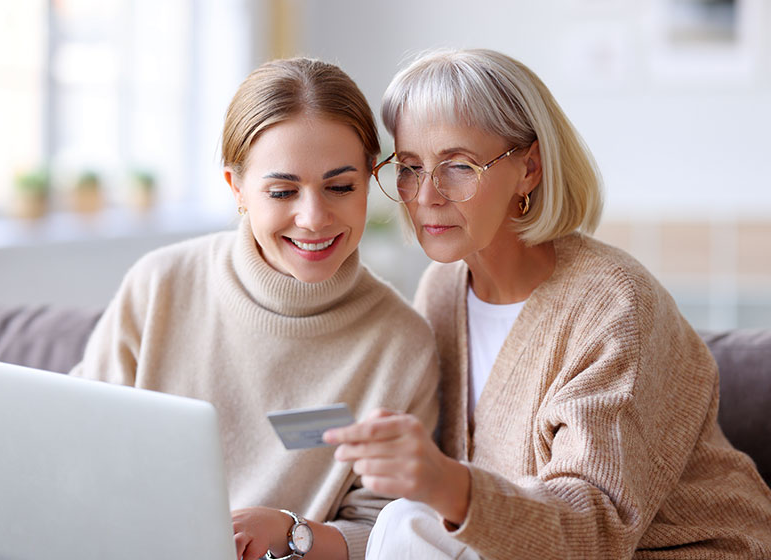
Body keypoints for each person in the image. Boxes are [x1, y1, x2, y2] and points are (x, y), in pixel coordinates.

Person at [324, 48, 771, 559]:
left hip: (685, 551)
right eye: (409, 167)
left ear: (529, 169)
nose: (426, 195)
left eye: (459, 166)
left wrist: (447, 484)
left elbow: (598, 528)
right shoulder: (442, 291)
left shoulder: (616, 305)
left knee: (408, 523)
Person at [70, 57, 439, 560]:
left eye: (340, 187)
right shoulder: (159, 285)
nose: (313, 218)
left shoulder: (402, 343)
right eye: (283, 191)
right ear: (237, 189)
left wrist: (291, 533)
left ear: (371, 180)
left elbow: (385, 531)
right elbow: (80, 445)